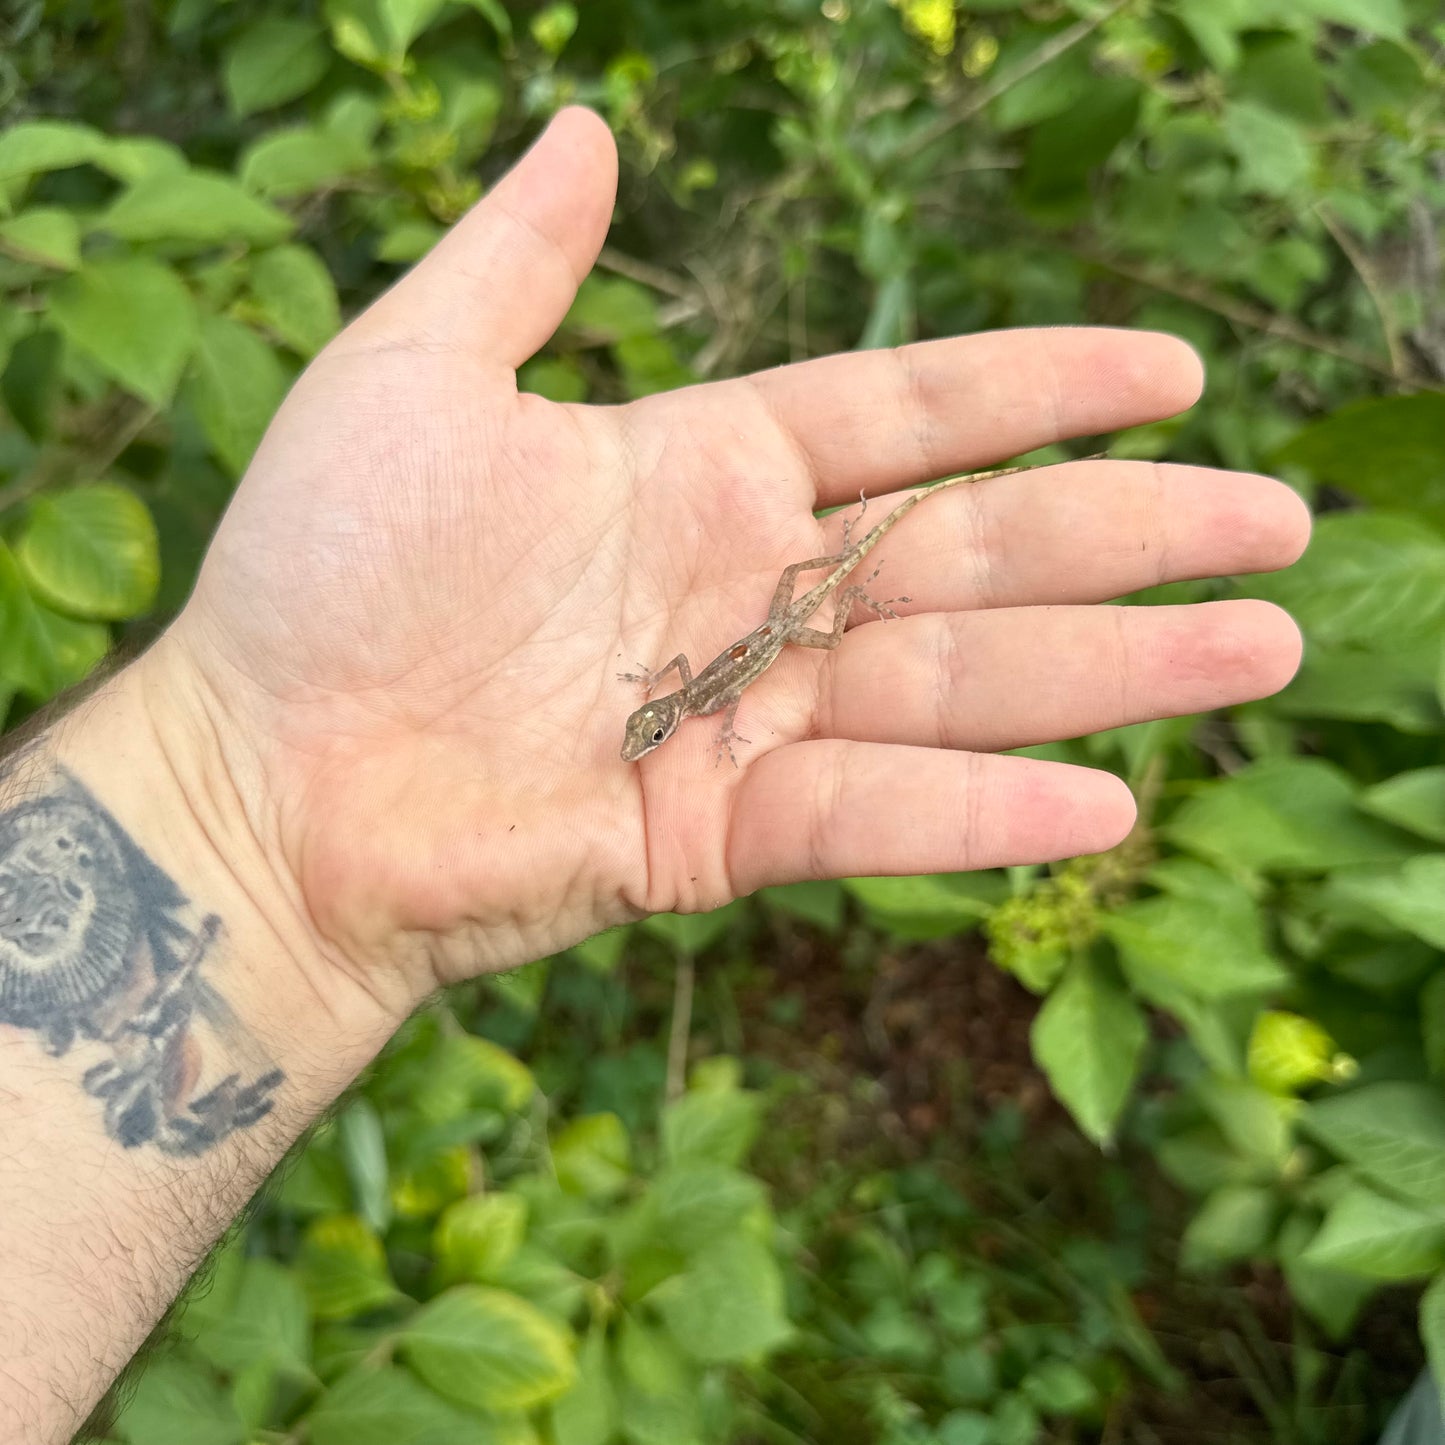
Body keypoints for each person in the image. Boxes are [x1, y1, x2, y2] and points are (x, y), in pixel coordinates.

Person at [0, 107, 1310, 1444]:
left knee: (844, 576)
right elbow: (678, 705)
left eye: (645, 736)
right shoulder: (670, 711)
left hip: (779, 625)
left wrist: (806, 609)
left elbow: (708, 685)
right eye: (647, 738)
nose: (642, 743)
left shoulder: (697, 694)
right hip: (739, 652)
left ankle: (892, 537)